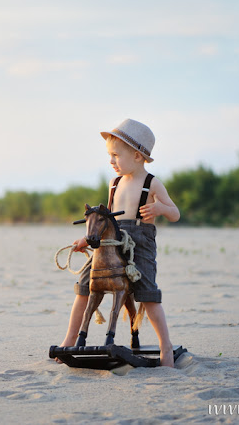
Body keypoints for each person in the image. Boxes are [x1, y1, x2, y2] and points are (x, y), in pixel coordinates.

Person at [58, 118, 180, 367]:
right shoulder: (114, 183)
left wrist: (159, 207)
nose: (111, 161)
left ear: (137, 156)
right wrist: (86, 239)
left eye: (116, 155)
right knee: (85, 284)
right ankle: (70, 338)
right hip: (110, 240)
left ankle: (165, 346)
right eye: (109, 156)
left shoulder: (151, 183)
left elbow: (175, 213)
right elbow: (105, 220)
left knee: (147, 292)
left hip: (140, 240)